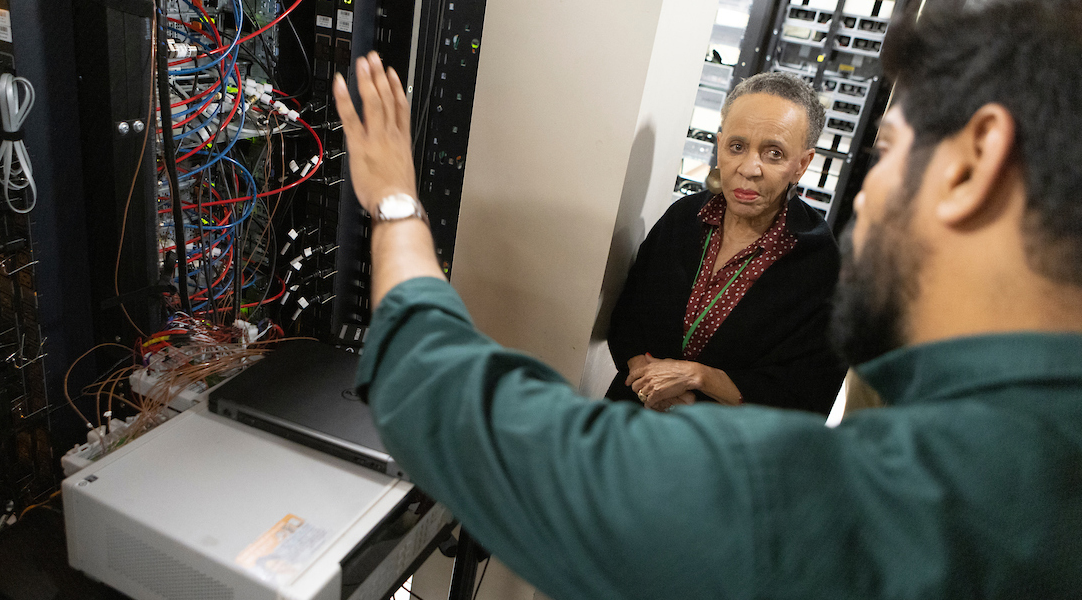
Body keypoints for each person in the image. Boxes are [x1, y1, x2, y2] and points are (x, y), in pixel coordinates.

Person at [334, 1, 1082, 597]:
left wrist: (397, 205)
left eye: (886, 151)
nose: (873, 190)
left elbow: (468, 417)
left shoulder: (858, 505)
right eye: (733, 146)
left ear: (972, 164)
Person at [606, 72, 844, 413]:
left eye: (774, 153)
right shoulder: (685, 217)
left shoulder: (819, 266)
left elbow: (806, 391)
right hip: (630, 421)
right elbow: (629, 314)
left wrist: (698, 378)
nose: (749, 168)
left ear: (802, 165)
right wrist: (647, 379)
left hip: (721, 450)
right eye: (737, 147)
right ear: (719, 145)